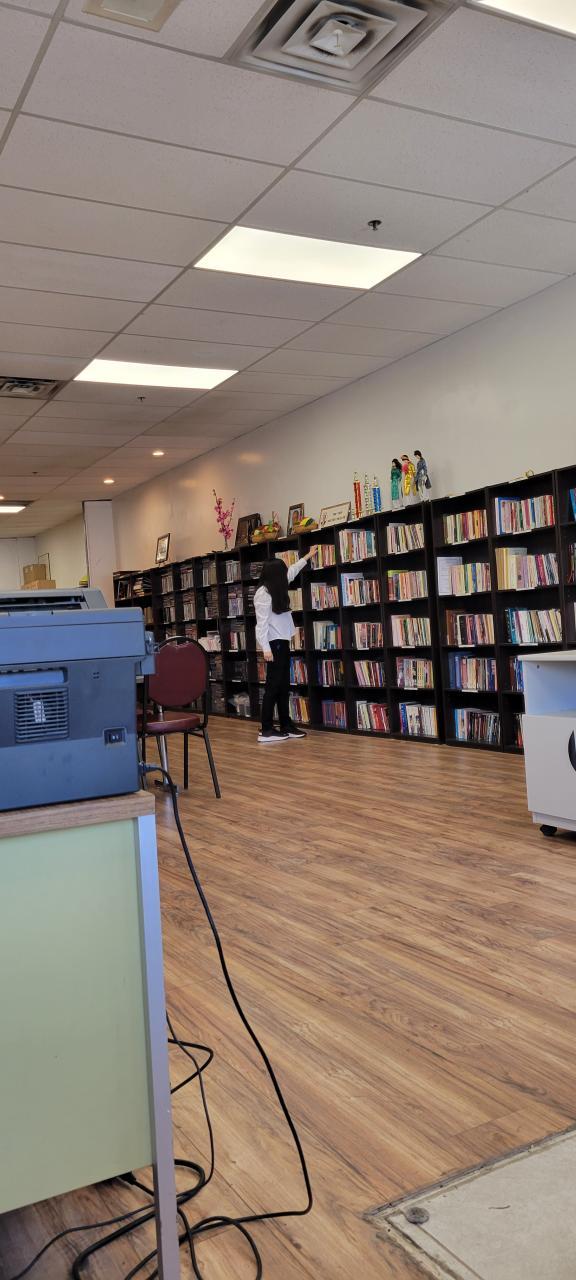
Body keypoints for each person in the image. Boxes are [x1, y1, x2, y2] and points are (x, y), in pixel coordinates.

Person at [255, 550, 316, 743]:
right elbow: (261, 625)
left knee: (283, 687)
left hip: (282, 642)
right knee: (273, 687)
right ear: (276, 575)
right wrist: (266, 649)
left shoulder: (277, 585)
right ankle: (266, 729)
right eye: (282, 572)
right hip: (274, 645)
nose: (285, 574)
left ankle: (286, 725)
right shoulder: (263, 594)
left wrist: (307, 557)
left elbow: (292, 571)